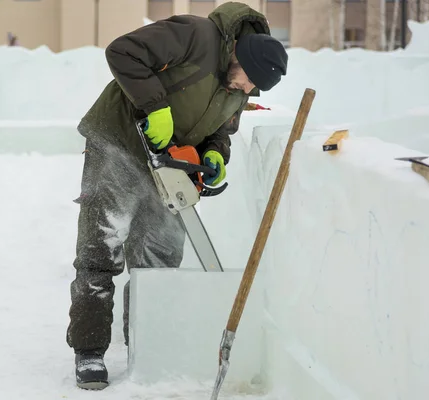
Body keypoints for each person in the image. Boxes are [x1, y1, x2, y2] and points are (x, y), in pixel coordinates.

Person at [67, 1, 288, 390]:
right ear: (240, 55)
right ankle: (89, 351)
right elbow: (122, 51)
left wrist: (216, 153)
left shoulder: (240, 82)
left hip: (168, 165)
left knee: (159, 260)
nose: (246, 90)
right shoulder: (195, 35)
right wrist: (154, 105)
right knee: (101, 249)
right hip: (118, 145)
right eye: (248, 81)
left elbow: (221, 129)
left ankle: (146, 341)